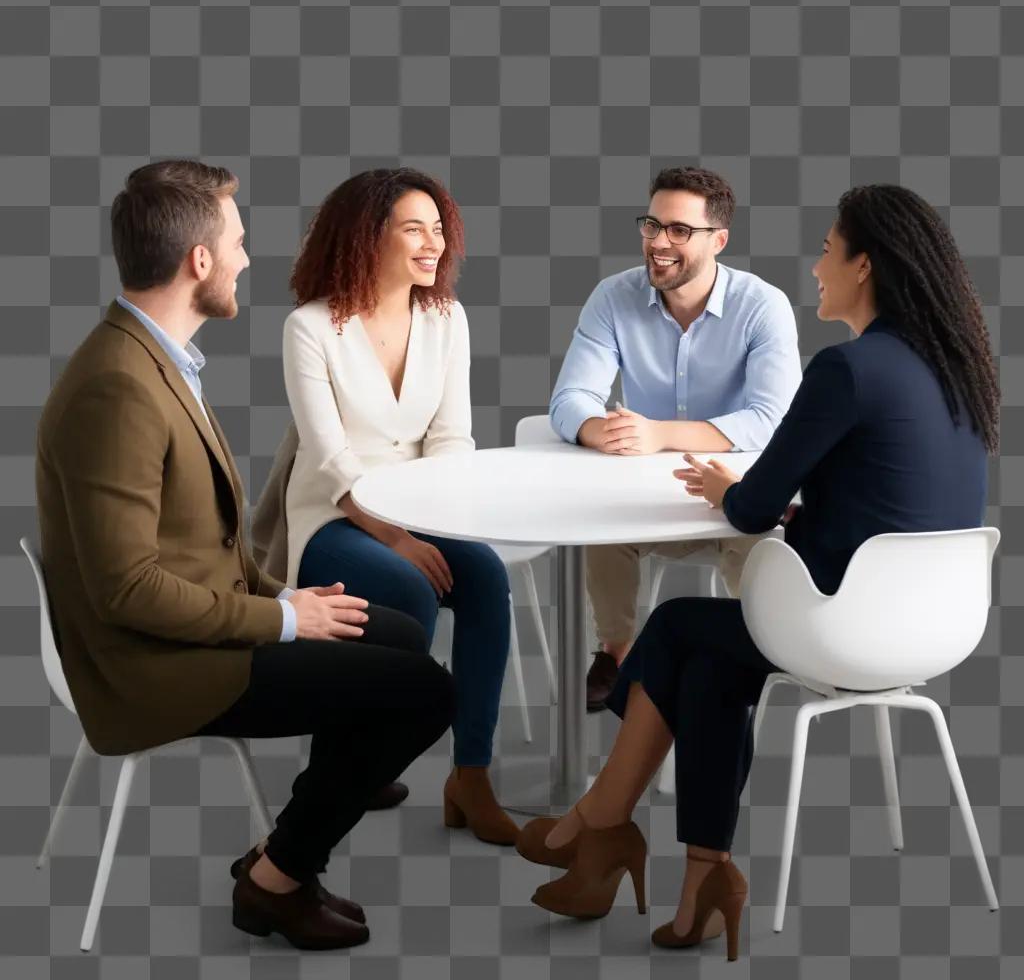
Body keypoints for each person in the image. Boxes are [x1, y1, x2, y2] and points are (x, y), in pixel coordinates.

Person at [517, 184, 999, 960]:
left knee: (676, 626)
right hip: (932, 628)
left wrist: (728, 491)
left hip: (839, 626)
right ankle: (703, 877)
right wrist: (771, 506)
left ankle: (597, 824)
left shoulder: (846, 370)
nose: (816, 268)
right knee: (710, 668)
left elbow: (750, 512)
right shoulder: (955, 365)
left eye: (828, 250)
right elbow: (885, 506)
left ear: (864, 265)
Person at [35, 161, 455, 951]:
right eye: (236, 241)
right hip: (152, 666)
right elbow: (126, 590)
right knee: (425, 692)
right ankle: (277, 880)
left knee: (394, 633)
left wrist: (291, 598)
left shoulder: (157, 361)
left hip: (191, 628)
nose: (246, 258)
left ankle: (286, 850)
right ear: (197, 261)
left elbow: (203, 543)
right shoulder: (117, 386)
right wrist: (282, 617)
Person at [278, 168, 518, 846]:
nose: (432, 243)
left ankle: (470, 778)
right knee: (405, 587)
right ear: (366, 236)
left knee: (486, 578)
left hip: (419, 507)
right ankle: (353, 756)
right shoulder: (310, 328)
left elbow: (450, 437)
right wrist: (395, 538)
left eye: (438, 229)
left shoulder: (446, 318)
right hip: (334, 514)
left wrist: (440, 525)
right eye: (414, 228)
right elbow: (330, 459)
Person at [549, 166, 802, 711]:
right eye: (651, 225)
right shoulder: (612, 298)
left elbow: (773, 418)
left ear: (719, 240)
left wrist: (659, 434)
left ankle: (752, 649)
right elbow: (568, 401)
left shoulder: (763, 305)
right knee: (597, 520)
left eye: (679, 230)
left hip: (735, 494)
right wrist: (602, 430)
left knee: (756, 526)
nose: (659, 243)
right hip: (645, 498)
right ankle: (617, 653)